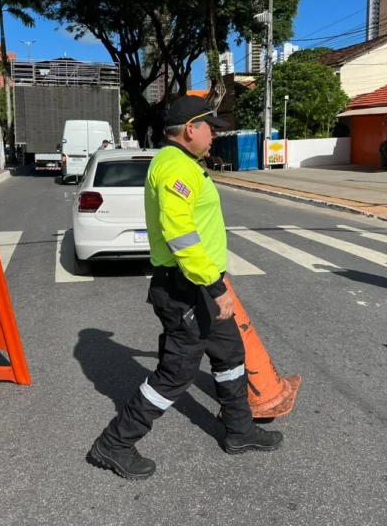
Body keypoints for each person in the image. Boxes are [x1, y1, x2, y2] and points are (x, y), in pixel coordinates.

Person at [89, 96, 283, 480]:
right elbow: (180, 235)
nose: (214, 136)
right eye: (210, 128)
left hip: (199, 284)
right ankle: (114, 443)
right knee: (177, 372)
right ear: (191, 129)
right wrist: (215, 285)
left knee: (229, 354)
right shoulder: (175, 167)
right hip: (186, 287)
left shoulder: (184, 163)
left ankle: (239, 431)